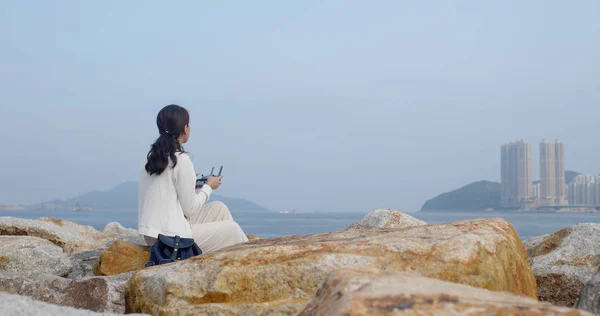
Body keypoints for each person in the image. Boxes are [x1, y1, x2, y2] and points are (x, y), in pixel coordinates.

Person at [138, 104, 248, 254]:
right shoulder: (181, 160)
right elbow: (190, 209)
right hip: (170, 240)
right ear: (185, 128)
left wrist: (190, 183)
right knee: (233, 229)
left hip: (153, 234)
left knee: (219, 208)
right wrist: (208, 187)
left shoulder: (152, 159)